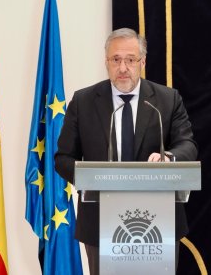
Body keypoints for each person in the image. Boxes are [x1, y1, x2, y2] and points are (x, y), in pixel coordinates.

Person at [55, 28, 198, 275]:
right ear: (106, 63)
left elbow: (188, 145)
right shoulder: (84, 101)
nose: (123, 68)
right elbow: (63, 158)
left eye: (130, 60)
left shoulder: (166, 100)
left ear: (142, 62)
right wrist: (91, 179)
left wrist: (169, 158)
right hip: (100, 222)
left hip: (158, 222)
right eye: (116, 60)